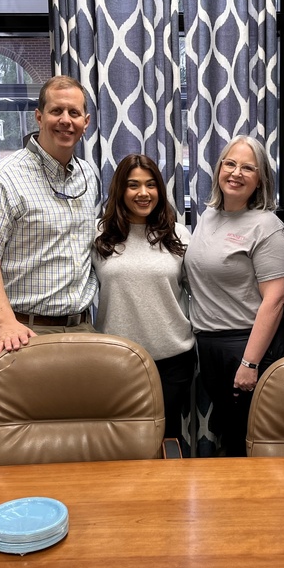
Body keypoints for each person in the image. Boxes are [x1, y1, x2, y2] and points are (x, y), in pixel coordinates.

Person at [0, 76, 100, 365]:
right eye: (57, 111)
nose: (66, 120)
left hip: (81, 328)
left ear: (86, 122)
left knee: (79, 411)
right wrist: (5, 323)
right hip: (21, 332)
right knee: (25, 413)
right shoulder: (2, 177)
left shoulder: (88, 176)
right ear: (39, 117)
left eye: (74, 113)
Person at [185, 136, 284, 456]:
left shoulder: (267, 227)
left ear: (260, 180)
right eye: (230, 164)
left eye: (248, 168)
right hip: (210, 343)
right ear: (218, 169)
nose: (236, 173)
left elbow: (276, 298)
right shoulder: (209, 216)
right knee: (228, 435)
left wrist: (249, 362)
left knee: (247, 441)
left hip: (245, 344)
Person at [93, 154, 196, 445]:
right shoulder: (99, 235)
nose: (143, 193)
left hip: (173, 359)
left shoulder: (178, 234)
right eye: (133, 185)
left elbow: (198, 292)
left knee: (167, 437)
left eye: (151, 185)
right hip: (117, 360)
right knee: (122, 440)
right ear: (120, 191)